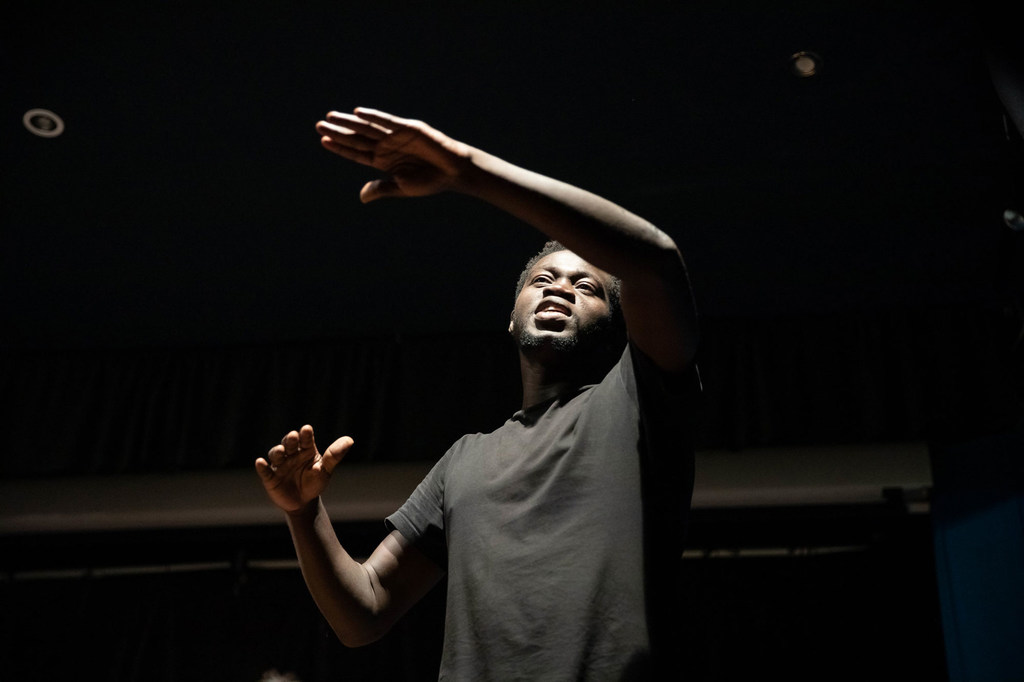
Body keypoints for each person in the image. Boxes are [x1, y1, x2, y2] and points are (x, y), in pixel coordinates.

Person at [256, 108, 700, 680]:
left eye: (587, 286)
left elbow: (656, 263)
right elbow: (362, 613)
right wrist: (303, 512)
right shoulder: (464, 460)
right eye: (544, 279)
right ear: (511, 321)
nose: (561, 287)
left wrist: (468, 171)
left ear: (617, 326)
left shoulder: (640, 403)